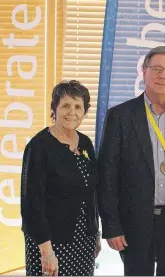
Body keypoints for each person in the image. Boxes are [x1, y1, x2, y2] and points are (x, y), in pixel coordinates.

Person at [98, 46, 165, 276]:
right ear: (144, 71)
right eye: (156, 68)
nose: (162, 75)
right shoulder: (120, 116)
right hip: (134, 221)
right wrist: (111, 226)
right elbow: (107, 174)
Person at [20, 80, 101, 276]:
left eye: (77, 107)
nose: (71, 112)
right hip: (51, 243)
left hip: (84, 241)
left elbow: (91, 194)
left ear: (84, 112)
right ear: (54, 108)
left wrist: (95, 233)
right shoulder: (39, 147)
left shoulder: (85, 142)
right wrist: (46, 252)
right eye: (65, 105)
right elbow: (32, 203)